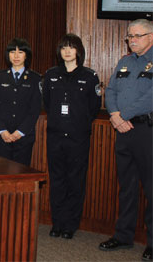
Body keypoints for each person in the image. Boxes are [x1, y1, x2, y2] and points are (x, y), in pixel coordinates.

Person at [99, 19, 152, 261]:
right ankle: (123, 236)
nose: (132, 40)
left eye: (137, 35)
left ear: (151, 36)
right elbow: (110, 91)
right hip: (123, 131)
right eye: (129, 36)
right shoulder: (124, 61)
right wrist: (114, 115)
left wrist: (123, 116)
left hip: (146, 131)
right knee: (127, 187)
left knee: (151, 189)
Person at [43, 33, 101, 240]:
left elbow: (94, 108)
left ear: (78, 51)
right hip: (56, 137)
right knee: (57, 181)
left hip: (78, 138)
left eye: (71, 47)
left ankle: (70, 225)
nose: (67, 51)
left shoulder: (89, 76)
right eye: (63, 47)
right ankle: (57, 223)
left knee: (75, 181)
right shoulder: (50, 74)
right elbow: (47, 103)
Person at [0, 38, 41, 166]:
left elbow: (34, 109)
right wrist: (2, 130)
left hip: (24, 137)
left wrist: (20, 132)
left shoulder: (35, 78)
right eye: (13, 52)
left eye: (20, 52)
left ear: (26, 55)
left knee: (21, 176)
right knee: (1, 175)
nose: (16, 56)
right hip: (2, 137)